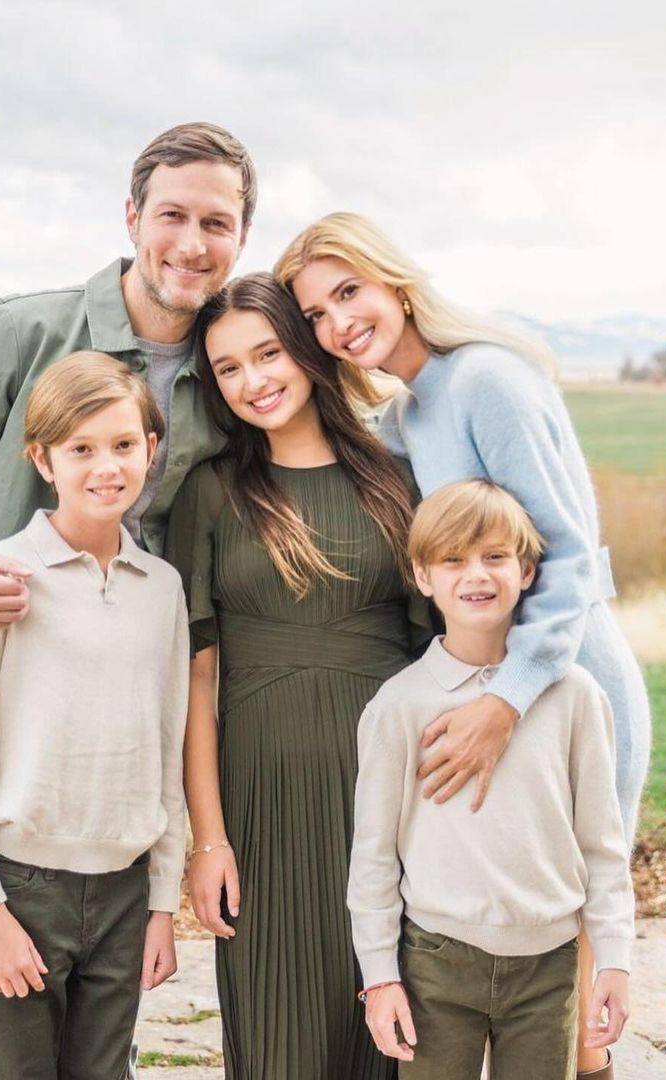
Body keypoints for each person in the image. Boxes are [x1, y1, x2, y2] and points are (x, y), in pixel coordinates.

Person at [0, 121, 254, 1080]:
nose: (192, 243)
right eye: (172, 215)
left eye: (219, 222)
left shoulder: (233, 370)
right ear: (132, 218)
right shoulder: (24, 329)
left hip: (124, 734)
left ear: (243, 238)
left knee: (97, 1032)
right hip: (6, 716)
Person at [275, 213, 650, 1077]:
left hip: (561, 677)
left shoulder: (487, 382)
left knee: (574, 976)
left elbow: (564, 561)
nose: (340, 324)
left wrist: (504, 702)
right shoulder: (418, 408)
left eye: (348, 292)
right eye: (319, 316)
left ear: (393, 282)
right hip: (493, 681)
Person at [165, 273, 430, 1079]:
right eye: (228, 369)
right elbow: (197, 683)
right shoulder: (211, 492)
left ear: (307, 346)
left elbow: (436, 660)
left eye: (268, 352)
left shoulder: (396, 480)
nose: (254, 381)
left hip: (389, 796)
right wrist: (206, 841)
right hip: (261, 801)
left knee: (391, 1032)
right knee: (282, 1037)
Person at [0, 353, 188, 1078]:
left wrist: (162, 903)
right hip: (23, 891)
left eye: (124, 445)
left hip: (124, 889)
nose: (106, 467)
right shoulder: (4, 577)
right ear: (42, 459)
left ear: (151, 450)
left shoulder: (161, 590)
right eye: (81, 449)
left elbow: (167, 747)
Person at [348, 479, 633, 1079]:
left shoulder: (575, 696)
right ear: (423, 577)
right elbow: (373, 856)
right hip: (435, 963)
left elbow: (602, 846)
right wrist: (379, 977)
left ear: (527, 571)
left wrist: (614, 960)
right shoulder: (399, 706)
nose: (475, 574)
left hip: (549, 966)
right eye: (453, 559)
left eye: (495, 557)